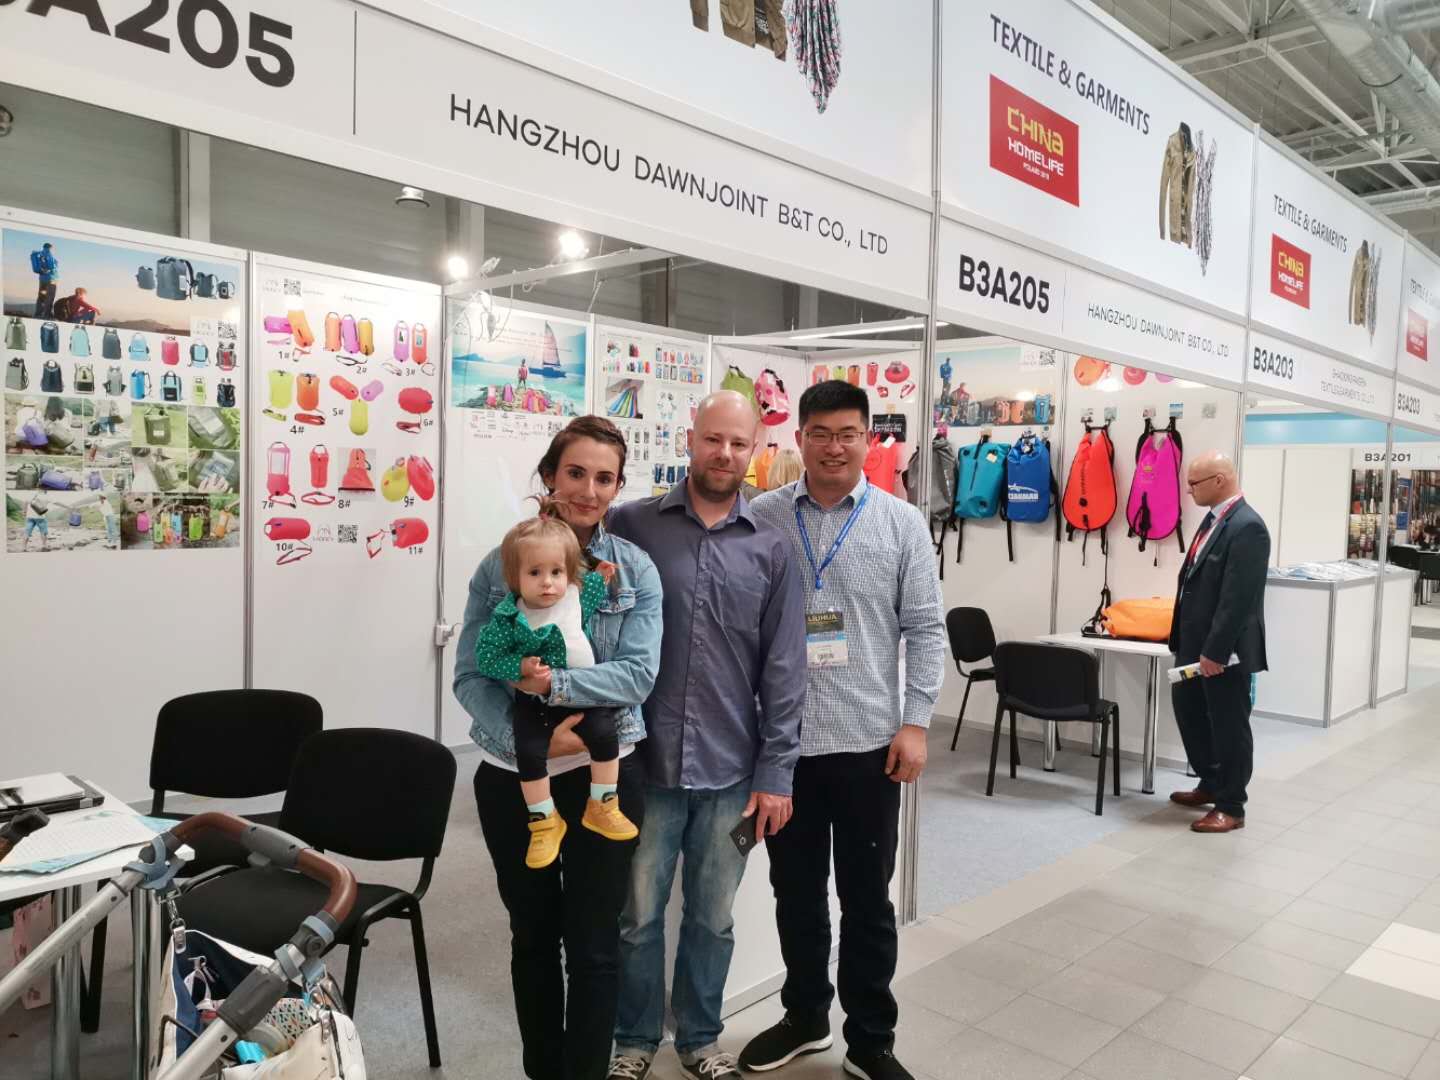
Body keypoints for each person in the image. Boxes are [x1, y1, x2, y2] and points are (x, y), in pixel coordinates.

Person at [744, 380, 945, 1080]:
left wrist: (916, 721)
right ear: (799, 438)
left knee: (867, 900)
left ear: (868, 439)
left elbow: (926, 628)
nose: (835, 447)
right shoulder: (762, 516)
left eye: (848, 434)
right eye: (821, 434)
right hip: (785, 748)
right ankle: (805, 1016)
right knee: (796, 895)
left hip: (870, 745)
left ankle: (870, 1040)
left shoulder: (901, 523)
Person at [455, 415, 662, 1080]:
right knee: (534, 938)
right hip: (514, 779)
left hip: (606, 779)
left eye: (604, 478)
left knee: (596, 945)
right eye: (575, 473)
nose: (588, 490)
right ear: (549, 475)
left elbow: (637, 675)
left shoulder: (632, 570)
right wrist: (534, 743)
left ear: (618, 487)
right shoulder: (500, 566)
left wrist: (554, 692)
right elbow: (470, 674)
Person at [606, 392, 806, 1080]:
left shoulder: (771, 548)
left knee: (712, 919)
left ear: (755, 451)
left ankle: (698, 1039)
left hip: (732, 772)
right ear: (690, 438)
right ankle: (633, 1040)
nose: (724, 454)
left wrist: (777, 774)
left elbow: (785, 668)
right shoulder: (631, 525)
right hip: (645, 763)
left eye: (738, 443)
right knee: (637, 918)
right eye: (713, 439)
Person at [474, 504, 639, 870]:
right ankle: (544, 820)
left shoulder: (574, 597)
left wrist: (602, 576)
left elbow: (590, 595)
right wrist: (519, 666)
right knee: (529, 752)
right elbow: (485, 658)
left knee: (605, 737)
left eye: (556, 572)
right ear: (515, 578)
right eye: (535, 573)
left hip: (583, 697)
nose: (547, 582)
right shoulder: (508, 616)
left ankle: (602, 804)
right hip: (535, 703)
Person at [1169, 450, 1270, 834]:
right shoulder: (1213, 520)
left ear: (1219, 481)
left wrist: (1216, 650)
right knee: (1189, 711)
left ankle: (1231, 805)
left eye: (1194, 483)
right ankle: (1210, 782)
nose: (1189, 490)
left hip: (1223, 652)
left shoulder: (1248, 527)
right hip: (1193, 645)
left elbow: (1238, 599)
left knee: (1229, 725)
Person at [31, 242, 58, 319]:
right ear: (51, 248)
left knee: (42, 297)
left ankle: (38, 314)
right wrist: (55, 264)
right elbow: (51, 267)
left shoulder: (38, 254)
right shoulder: (49, 254)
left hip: (42, 279)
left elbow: (37, 268)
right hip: (51, 280)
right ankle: (47, 315)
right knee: (50, 297)